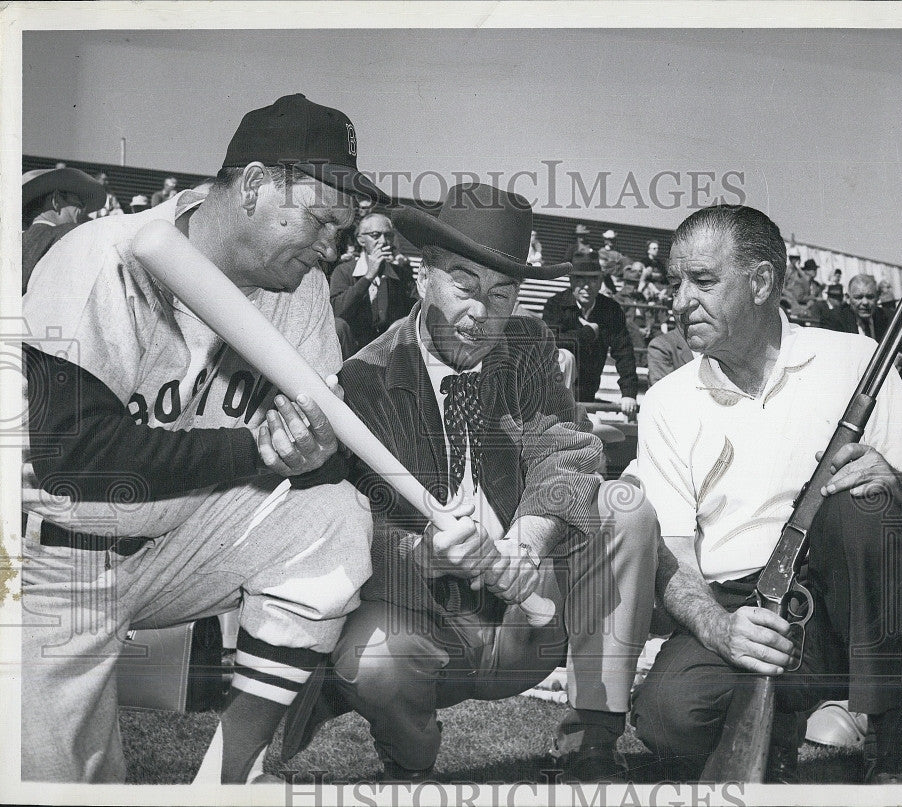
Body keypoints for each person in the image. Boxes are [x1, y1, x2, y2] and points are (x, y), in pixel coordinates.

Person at [20, 93, 390, 784]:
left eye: (341, 228)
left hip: (174, 543)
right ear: (252, 185)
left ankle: (226, 776)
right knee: (55, 785)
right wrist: (256, 453)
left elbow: (318, 450)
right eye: (318, 219)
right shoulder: (101, 259)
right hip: (49, 561)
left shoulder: (301, 290)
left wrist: (311, 456)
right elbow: (73, 460)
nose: (331, 247)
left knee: (335, 515)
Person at [282, 182, 659, 782]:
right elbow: (342, 523)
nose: (481, 312)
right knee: (373, 661)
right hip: (430, 623)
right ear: (426, 274)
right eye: (465, 284)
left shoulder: (529, 347)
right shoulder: (363, 379)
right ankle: (410, 767)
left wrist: (526, 545)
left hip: (529, 621)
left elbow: (567, 453)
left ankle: (592, 740)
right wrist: (422, 556)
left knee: (625, 507)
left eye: (502, 293)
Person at [625, 205, 902, 784]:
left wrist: (894, 481)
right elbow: (672, 553)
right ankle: (789, 724)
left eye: (702, 281)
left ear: (762, 282)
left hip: (850, 598)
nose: (678, 301)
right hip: (741, 603)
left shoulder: (858, 360)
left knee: (870, 505)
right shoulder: (667, 401)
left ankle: (889, 750)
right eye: (675, 282)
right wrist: (719, 627)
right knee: (670, 722)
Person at [542, 253, 640, 415]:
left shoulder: (610, 309)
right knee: (563, 355)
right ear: (571, 282)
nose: (586, 286)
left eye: (592, 280)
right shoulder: (556, 305)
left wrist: (629, 393)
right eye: (580, 280)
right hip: (553, 391)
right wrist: (586, 334)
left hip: (588, 390)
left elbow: (624, 352)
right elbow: (549, 343)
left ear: (601, 282)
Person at [328, 211, 417, 356]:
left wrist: (402, 322)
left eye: (388, 235)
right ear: (361, 240)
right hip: (352, 350)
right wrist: (369, 276)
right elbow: (337, 313)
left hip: (387, 350)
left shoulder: (401, 274)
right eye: (376, 235)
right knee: (338, 325)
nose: (383, 241)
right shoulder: (344, 271)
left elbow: (417, 308)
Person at [21, 166, 106, 293]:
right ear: (56, 200)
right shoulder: (71, 234)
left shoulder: (11, 244)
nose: (84, 211)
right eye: (80, 202)